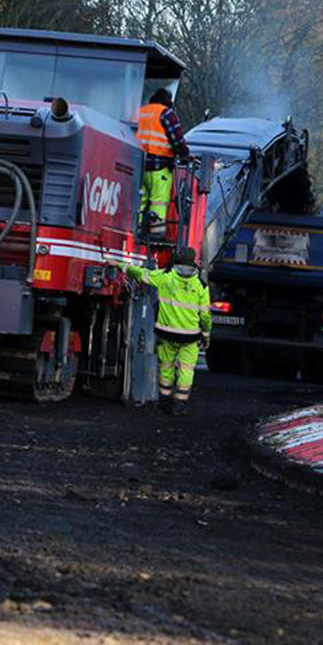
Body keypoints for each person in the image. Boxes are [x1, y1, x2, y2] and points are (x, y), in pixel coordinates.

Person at [124, 246, 211, 415]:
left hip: (167, 333)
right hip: (190, 336)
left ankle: (164, 401)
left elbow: (143, 274)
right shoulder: (201, 285)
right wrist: (206, 335)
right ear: (193, 262)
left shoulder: (166, 276)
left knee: (166, 365)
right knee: (186, 369)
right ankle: (180, 404)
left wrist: (123, 267)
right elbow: (206, 315)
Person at [135, 88, 191, 239]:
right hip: (160, 166)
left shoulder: (141, 112)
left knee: (141, 200)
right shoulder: (166, 114)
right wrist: (185, 154)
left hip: (140, 165)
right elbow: (177, 139)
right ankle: (156, 232)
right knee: (159, 201)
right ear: (168, 101)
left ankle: (136, 229)